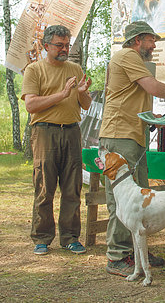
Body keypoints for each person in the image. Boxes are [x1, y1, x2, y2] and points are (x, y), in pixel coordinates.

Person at [99, 21, 165, 277]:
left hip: (132, 135)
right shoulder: (127, 55)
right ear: (138, 40)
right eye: (152, 40)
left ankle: (137, 252)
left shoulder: (132, 60)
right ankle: (118, 256)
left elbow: (137, 98)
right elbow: (152, 87)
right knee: (122, 199)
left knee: (138, 198)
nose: (154, 45)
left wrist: (158, 118)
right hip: (120, 135)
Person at [21, 25, 92, 255]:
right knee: (45, 186)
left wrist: (81, 92)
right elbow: (31, 104)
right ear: (46, 46)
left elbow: (87, 104)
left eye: (67, 45)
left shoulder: (75, 68)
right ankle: (42, 237)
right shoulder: (35, 70)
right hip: (44, 132)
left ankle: (70, 237)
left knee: (72, 187)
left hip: (72, 131)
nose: (64, 49)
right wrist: (62, 94)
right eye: (59, 45)